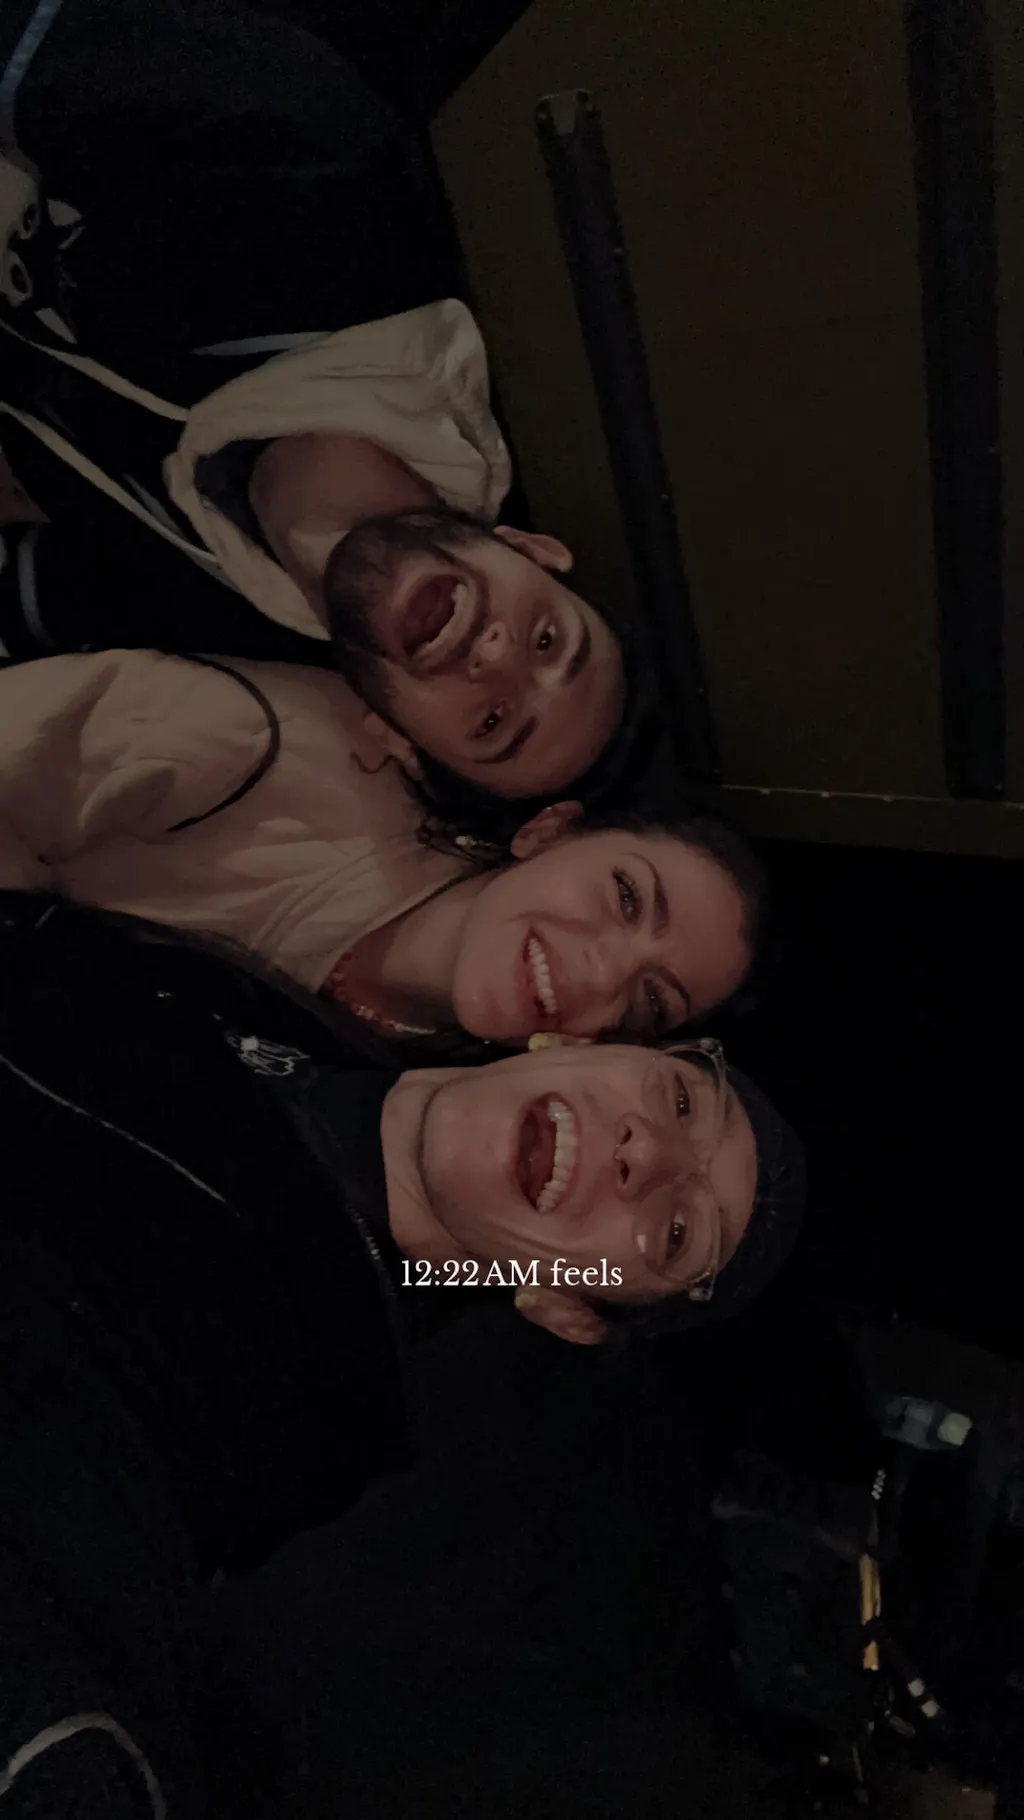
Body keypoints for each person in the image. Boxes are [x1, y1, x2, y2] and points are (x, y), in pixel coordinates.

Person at [0, 890, 804, 1813]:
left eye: (675, 1232)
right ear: (570, 1044)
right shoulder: (269, 1005)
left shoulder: (268, 1393)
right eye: (679, 1100)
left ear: (567, 1308)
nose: (645, 1153)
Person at [0, 0, 645, 803]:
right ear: (531, 548)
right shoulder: (315, 186)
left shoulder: (237, 617)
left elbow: (40, 598)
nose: (493, 661)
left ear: (393, 738)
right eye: (546, 641)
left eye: (491, 723)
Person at [0, 648, 761, 1048]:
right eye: (626, 897)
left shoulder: (456, 1113)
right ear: (549, 832)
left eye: (650, 1002)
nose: (602, 974)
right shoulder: (283, 752)